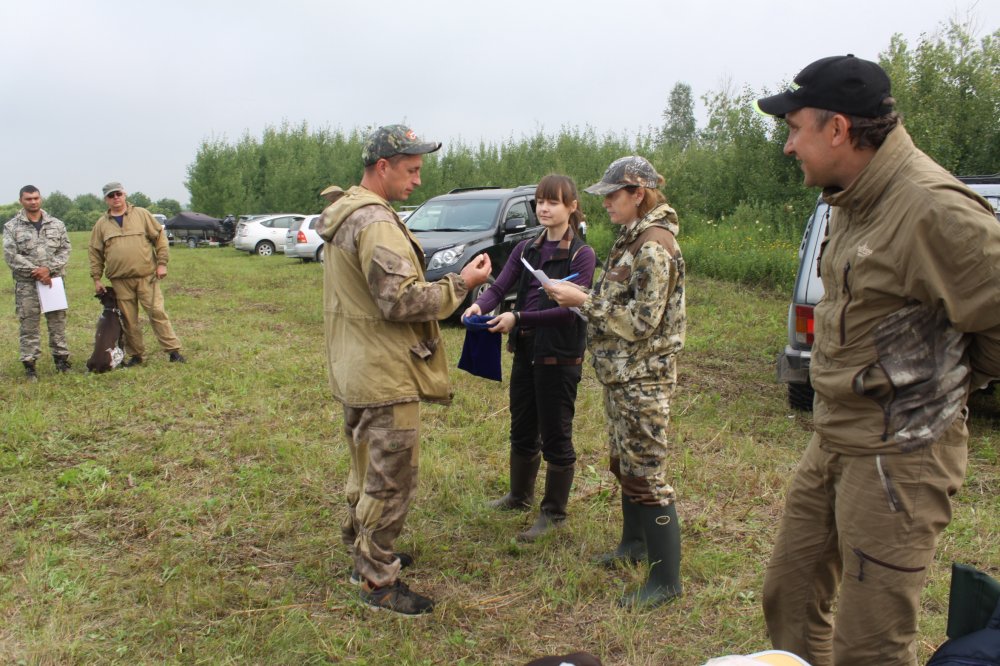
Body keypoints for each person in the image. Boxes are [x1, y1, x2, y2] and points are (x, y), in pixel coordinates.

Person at [754, 55, 1000, 665]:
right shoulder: (850, 198)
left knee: (869, 646)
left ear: (838, 129)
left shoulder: (932, 208)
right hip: (835, 435)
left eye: (795, 129)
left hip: (902, 456)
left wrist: (950, 384)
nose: (789, 146)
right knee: (789, 595)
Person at [319, 124, 491, 616]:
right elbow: (400, 300)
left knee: (366, 469)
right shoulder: (374, 221)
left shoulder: (349, 212)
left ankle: (363, 552)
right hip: (384, 373)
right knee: (390, 480)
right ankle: (377, 581)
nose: (418, 180)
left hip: (356, 366)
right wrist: (461, 283)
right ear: (383, 167)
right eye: (411, 170)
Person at [545, 156, 685, 609]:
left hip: (644, 378)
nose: (604, 202)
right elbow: (620, 300)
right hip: (623, 376)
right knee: (625, 464)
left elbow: (643, 322)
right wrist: (582, 297)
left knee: (647, 473)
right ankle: (634, 545)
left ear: (637, 194)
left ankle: (666, 581)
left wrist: (582, 301)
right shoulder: (632, 237)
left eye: (612, 195)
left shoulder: (653, 246)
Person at [463, 174, 597, 541]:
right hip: (525, 351)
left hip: (560, 357)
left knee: (556, 435)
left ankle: (553, 514)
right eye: (540, 201)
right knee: (521, 427)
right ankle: (519, 496)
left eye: (553, 202)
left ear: (572, 206)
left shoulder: (582, 254)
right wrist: (479, 305)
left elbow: (569, 313)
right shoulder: (526, 249)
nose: (544, 208)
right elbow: (500, 287)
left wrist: (518, 318)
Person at [88, 182, 185, 366]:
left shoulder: (142, 214)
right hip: (120, 281)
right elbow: (95, 252)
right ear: (106, 199)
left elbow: (160, 238)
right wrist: (96, 278)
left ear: (124, 194)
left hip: (146, 277)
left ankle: (173, 351)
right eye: (111, 196)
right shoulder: (101, 224)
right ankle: (136, 355)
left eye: (118, 194)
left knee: (157, 313)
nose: (116, 198)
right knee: (128, 320)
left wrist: (162, 263)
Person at [3, 185, 72, 380]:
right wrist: (38, 272)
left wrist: (48, 269)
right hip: (27, 284)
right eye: (28, 199)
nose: (33, 202)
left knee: (57, 323)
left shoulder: (56, 224)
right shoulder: (11, 227)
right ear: (21, 201)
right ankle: (30, 366)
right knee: (29, 326)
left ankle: (61, 361)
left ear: (40, 199)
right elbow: (11, 255)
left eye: (36, 198)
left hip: (53, 282)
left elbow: (65, 250)